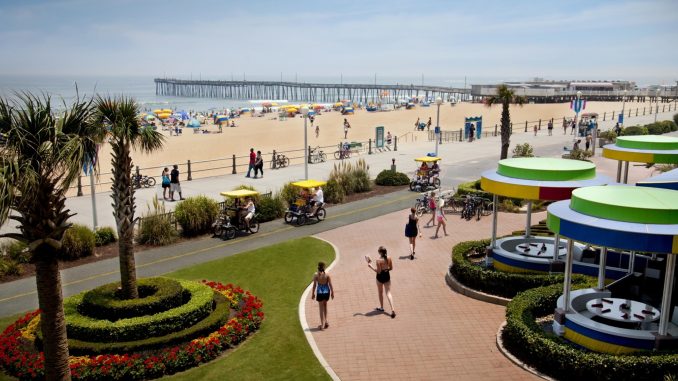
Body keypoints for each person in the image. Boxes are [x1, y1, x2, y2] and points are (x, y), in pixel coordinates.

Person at [366, 246, 395, 318]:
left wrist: (370, 266)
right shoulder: (389, 257)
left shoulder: (378, 260)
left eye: (378, 251)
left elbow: (378, 271)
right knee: (388, 293)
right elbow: (391, 268)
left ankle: (382, 307)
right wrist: (386, 270)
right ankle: (393, 309)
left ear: (380, 252)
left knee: (380, 292)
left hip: (379, 278)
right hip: (387, 276)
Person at [312, 262, 334, 330]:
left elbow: (314, 285)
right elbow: (330, 284)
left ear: (318, 267)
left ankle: (322, 325)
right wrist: (332, 293)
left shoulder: (316, 275)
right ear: (324, 268)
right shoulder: (327, 275)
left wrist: (313, 293)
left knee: (320, 308)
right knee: (325, 306)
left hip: (320, 292)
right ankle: (326, 321)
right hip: (326, 292)